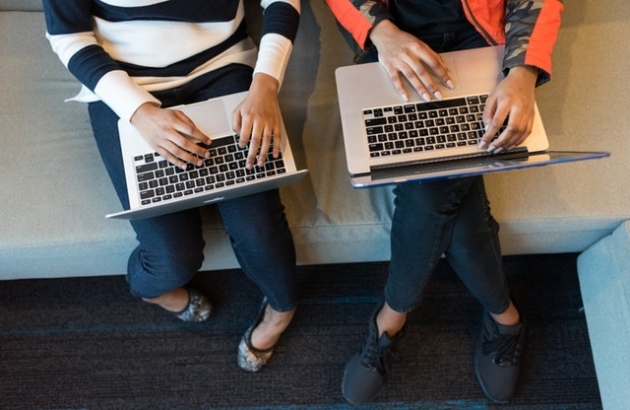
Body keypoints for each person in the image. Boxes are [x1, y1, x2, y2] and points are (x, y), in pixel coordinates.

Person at [42, 0, 302, 372]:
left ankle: (282, 311)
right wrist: (138, 112)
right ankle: (155, 293)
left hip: (223, 65)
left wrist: (265, 85)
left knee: (259, 227)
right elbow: (68, 35)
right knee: (171, 258)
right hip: (125, 80)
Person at [325, 0, 563, 404]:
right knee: (456, 208)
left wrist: (522, 73)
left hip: (482, 42)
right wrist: (381, 32)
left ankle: (392, 318)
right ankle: (505, 317)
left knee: (429, 193)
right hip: (396, 41)